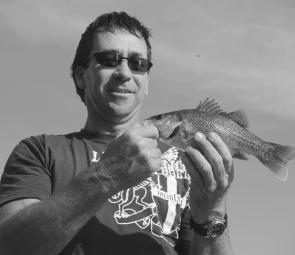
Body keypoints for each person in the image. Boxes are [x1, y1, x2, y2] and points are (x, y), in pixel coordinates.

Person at [0, 12, 234, 255]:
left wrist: (212, 211)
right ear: (81, 76)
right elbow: (8, 247)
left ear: (147, 81)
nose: (124, 73)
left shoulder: (186, 162)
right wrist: (105, 176)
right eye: (109, 60)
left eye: (138, 64)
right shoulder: (39, 151)